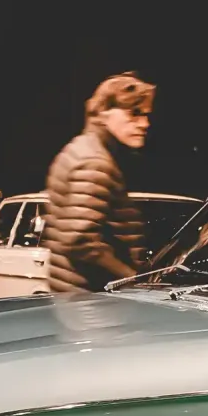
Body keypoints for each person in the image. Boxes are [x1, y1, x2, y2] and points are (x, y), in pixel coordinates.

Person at [42, 72, 154, 292]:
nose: (144, 123)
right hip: (88, 297)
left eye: (146, 115)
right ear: (104, 112)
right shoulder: (95, 161)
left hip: (74, 293)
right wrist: (132, 278)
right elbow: (81, 241)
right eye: (134, 113)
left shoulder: (82, 148)